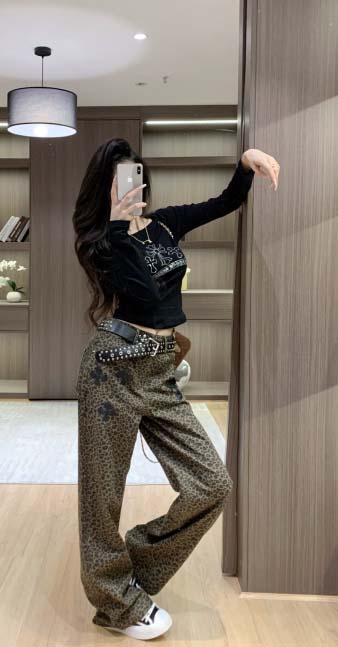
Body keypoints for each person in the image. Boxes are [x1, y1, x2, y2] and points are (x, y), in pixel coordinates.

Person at [72, 138, 280, 640]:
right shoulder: (98, 242)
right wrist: (119, 226)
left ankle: (127, 574)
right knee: (102, 497)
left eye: (135, 175)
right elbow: (142, 295)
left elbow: (225, 202)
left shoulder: (166, 224)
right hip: (111, 370)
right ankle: (117, 606)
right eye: (119, 180)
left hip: (159, 369)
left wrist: (246, 165)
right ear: (104, 189)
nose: (131, 187)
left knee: (212, 484)